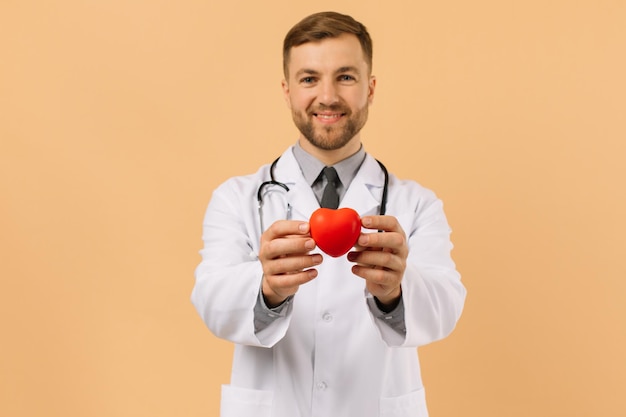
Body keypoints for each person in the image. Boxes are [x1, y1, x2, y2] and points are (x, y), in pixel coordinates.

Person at [191, 11, 466, 417]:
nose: (327, 96)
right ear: (286, 91)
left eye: (346, 76)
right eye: (309, 79)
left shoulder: (417, 204)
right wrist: (266, 289)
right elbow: (211, 300)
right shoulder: (237, 198)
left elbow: (446, 306)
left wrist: (394, 293)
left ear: (370, 89)